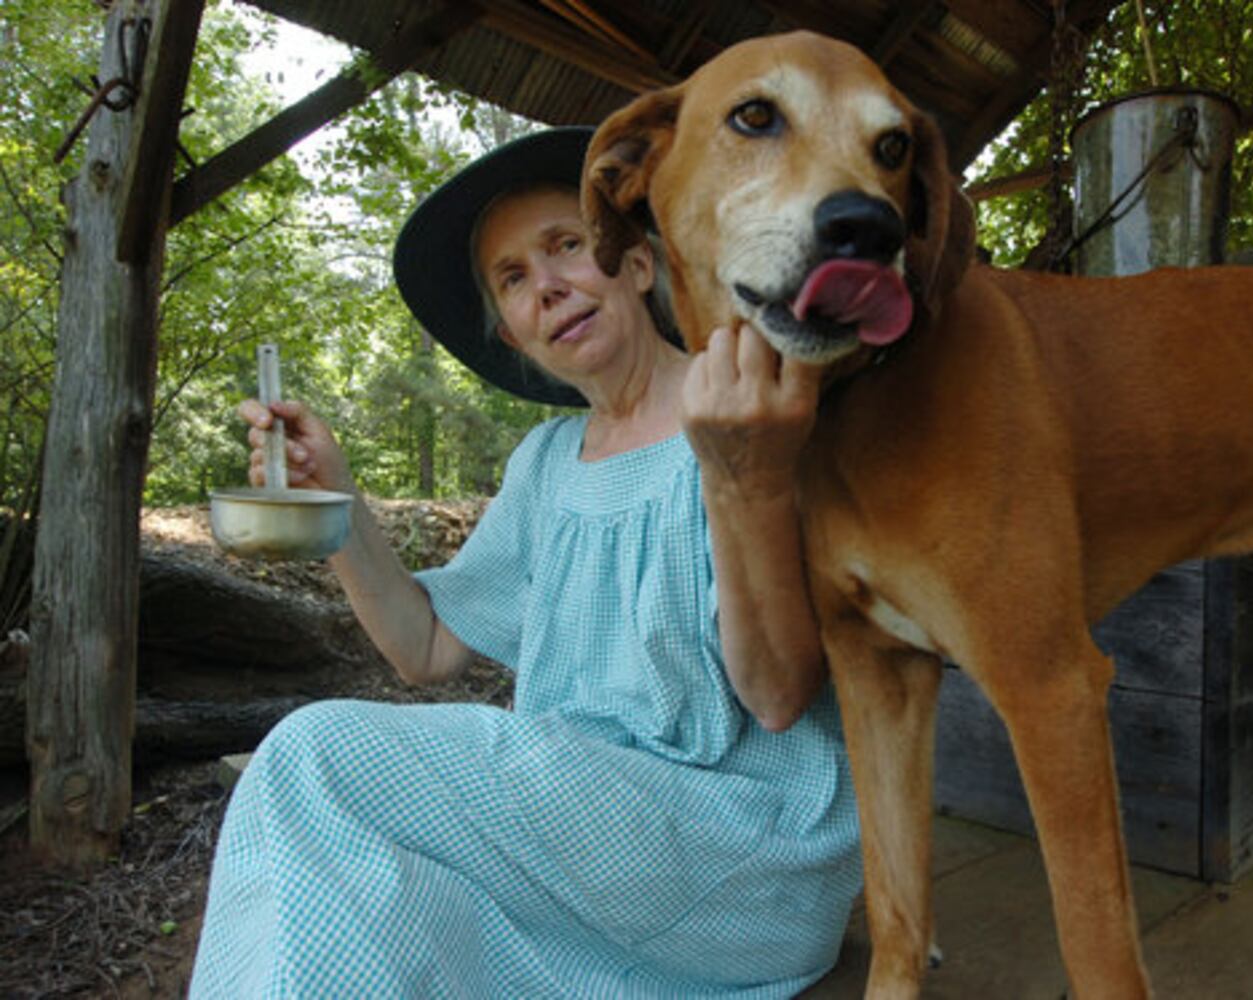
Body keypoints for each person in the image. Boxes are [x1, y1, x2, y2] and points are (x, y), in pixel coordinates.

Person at [190, 127, 862, 998]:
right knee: (383, 909)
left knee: (314, 752)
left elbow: (777, 697)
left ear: (637, 265)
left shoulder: (747, 412)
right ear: (510, 330)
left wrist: (745, 478)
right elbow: (422, 649)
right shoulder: (545, 466)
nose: (545, 286)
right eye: (512, 278)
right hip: (592, 850)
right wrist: (339, 500)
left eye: (566, 247)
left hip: (747, 853)